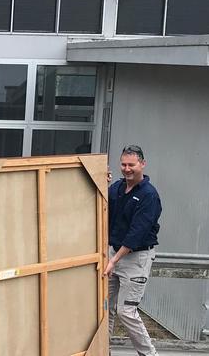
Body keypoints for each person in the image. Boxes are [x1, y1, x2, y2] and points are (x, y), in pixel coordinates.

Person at [104, 145, 162, 356]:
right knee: (105, 307)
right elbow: (102, 206)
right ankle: (102, 350)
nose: (127, 169)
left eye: (132, 165)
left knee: (126, 311)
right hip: (113, 254)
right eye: (123, 164)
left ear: (142, 164)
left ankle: (149, 354)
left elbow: (136, 235)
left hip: (136, 258)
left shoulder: (149, 196)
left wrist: (113, 260)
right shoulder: (117, 189)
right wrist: (104, 182)